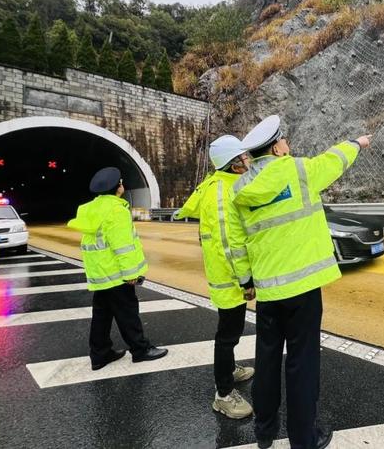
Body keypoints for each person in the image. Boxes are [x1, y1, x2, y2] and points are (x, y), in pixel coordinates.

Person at [227, 115, 371, 449]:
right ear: (277, 147)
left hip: (267, 290)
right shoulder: (298, 170)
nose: (287, 144)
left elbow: (236, 243)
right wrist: (357, 143)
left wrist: (246, 280)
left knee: (266, 359)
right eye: (284, 140)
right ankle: (303, 439)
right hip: (303, 290)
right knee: (302, 363)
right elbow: (333, 160)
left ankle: (264, 433)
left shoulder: (239, 189)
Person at [175, 135, 256, 419]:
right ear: (233, 165)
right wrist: (245, 280)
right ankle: (223, 394)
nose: (248, 161)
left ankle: (230, 370)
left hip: (227, 275)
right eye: (244, 158)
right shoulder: (224, 192)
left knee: (229, 333)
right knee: (227, 335)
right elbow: (229, 243)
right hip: (230, 277)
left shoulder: (217, 185)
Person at [67, 167, 168, 370]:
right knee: (128, 313)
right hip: (117, 275)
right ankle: (140, 350)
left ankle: (100, 354)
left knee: (101, 316)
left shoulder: (89, 210)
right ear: (118, 187)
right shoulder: (116, 210)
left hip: (99, 274)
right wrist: (131, 274)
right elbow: (123, 246)